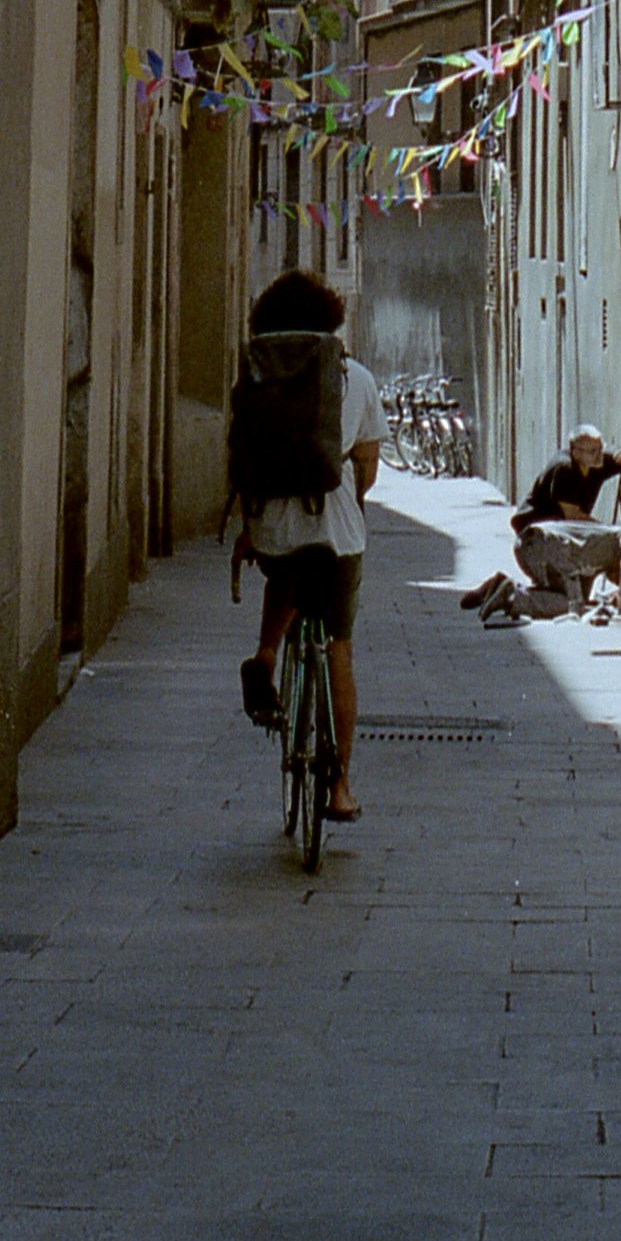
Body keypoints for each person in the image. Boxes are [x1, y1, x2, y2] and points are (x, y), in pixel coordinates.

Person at [230, 270, 382, 825]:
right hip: (335, 530)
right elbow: (367, 467)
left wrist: (252, 525)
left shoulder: (256, 375)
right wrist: (351, 498)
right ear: (330, 321)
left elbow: (243, 452)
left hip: (271, 525)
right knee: (338, 646)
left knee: (285, 571)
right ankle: (339, 787)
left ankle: (266, 656)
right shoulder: (354, 377)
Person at [463, 423, 621, 620]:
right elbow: (574, 516)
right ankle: (511, 596)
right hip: (540, 539)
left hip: (566, 542)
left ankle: (500, 587)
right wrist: (606, 534)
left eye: (601, 448)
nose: (600, 455)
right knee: (574, 604)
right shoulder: (564, 469)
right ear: (576, 453)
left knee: (566, 598)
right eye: (593, 451)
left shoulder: (597, 463)